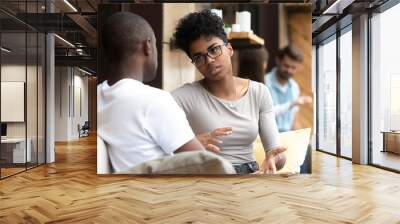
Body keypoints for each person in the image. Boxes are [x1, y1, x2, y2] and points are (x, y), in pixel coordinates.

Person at [171, 9, 286, 174]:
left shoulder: (259, 93)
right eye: (199, 57)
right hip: (210, 178)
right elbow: (152, 136)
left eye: (214, 49)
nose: (209, 60)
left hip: (251, 176)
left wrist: (273, 158)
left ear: (229, 49)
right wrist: (191, 144)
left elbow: (276, 153)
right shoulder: (184, 97)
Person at [97, 12, 208, 173]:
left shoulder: (99, 95)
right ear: (147, 46)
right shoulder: (155, 100)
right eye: (156, 45)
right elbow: (205, 164)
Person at [265, 45, 312, 132]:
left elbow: (294, 119)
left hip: (287, 138)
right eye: (286, 66)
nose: (289, 70)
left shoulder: (294, 87)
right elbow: (263, 115)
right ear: (278, 61)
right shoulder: (264, 83)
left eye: (293, 68)